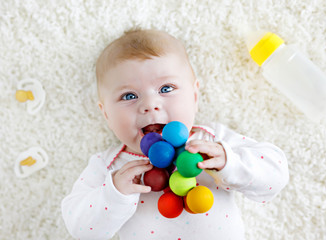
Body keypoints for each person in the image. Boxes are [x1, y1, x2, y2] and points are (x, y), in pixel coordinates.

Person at [61, 29, 289, 240]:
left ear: (195, 96)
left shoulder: (211, 141)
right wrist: (114, 194)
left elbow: (276, 175)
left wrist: (230, 163)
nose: (150, 105)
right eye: (129, 96)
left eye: (166, 89)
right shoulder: (109, 167)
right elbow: (80, 229)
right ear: (106, 114)